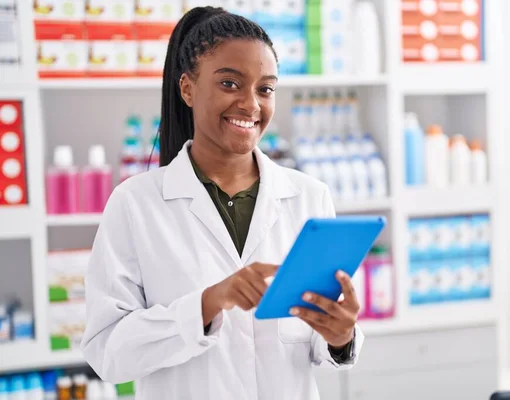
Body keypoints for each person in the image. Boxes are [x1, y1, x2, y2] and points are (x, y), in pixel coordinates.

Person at [81, 6, 364, 400]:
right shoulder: (135, 204)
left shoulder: (310, 198)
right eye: (230, 84)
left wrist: (340, 336)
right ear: (187, 88)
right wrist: (207, 303)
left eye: (265, 89)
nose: (251, 104)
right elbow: (107, 352)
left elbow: (313, 340)